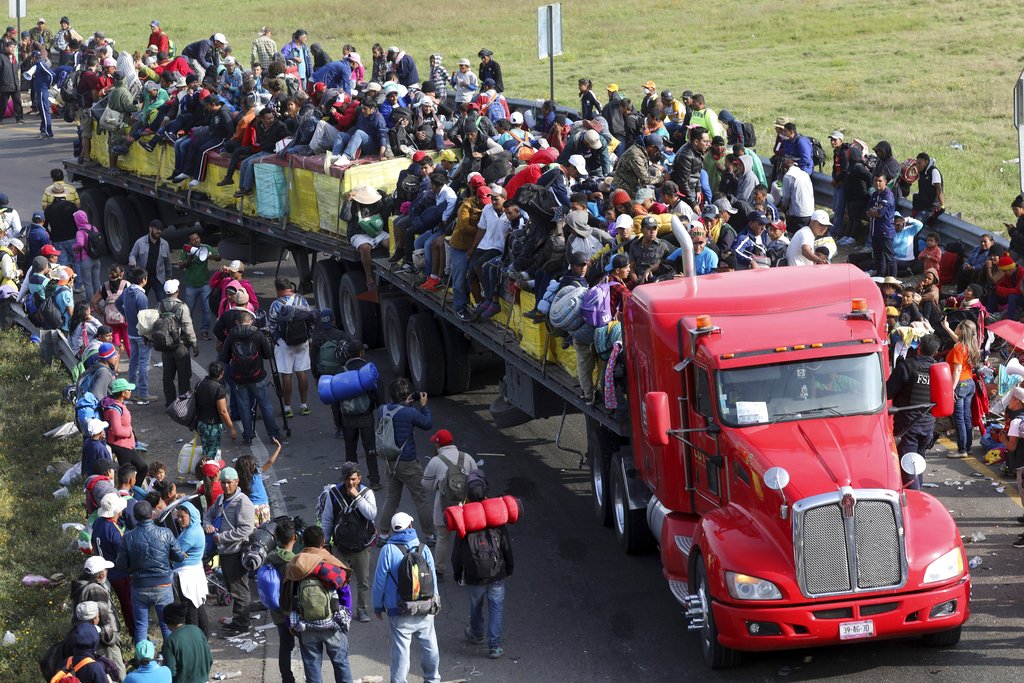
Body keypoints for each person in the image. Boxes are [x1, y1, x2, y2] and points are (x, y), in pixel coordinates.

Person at [452, 471, 514, 659]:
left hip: (474, 574)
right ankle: (494, 646)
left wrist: (458, 573)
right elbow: (505, 545)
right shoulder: (496, 514)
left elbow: (457, 552)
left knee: (476, 605)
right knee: (496, 607)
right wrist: (509, 567)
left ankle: (477, 633)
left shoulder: (464, 518)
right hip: (496, 572)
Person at [373, 512, 440, 683]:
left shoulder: (388, 550)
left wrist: (378, 606)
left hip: (399, 609)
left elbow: (379, 581)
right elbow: (432, 577)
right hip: (425, 607)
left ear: (393, 530)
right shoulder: (423, 548)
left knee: (401, 652)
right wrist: (435, 601)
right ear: (410, 526)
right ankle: (432, 679)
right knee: (430, 647)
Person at [115, 499, 185, 643]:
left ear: (135, 516)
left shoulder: (128, 537)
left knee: (141, 626)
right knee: (166, 625)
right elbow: (179, 556)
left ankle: (142, 656)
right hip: (163, 585)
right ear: (151, 515)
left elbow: (121, 565)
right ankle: (170, 655)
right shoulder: (165, 533)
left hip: (139, 586)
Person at [375, 377, 435, 544]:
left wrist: (405, 404)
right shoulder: (409, 413)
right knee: (420, 499)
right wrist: (423, 406)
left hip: (390, 462)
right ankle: (430, 535)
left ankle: (383, 535)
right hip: (408, 463)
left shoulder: (382, 410)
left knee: (391, 499)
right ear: (407, 395)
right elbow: (427, 424)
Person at [322, 461, 377, 625]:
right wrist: (326, 543)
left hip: (361, 547)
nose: (350, 482)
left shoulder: (366, 493)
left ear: (359, 478)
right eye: (347, 479)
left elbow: (371, 514)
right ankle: (342, 609)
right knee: (338, 580)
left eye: (353, 479)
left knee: (363, 581)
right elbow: (327, 519)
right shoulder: (333, 494)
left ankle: (362, 609)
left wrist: (357, 497)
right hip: (340, 547)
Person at [204, 466, 255, 634]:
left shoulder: (243, 502)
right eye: (224, 483)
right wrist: (207, 525)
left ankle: (241, 625)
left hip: (236, 551)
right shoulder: (220, 499)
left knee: (239, 590)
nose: (226, 486)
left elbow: (246, 529)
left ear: (237, 482)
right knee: (233, 588)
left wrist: (222, 537)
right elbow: (208, 515)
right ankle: (238, 620)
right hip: (224, 552)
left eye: (229, 483)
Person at [219, 308, 283, 444]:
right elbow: (268, 354)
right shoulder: (258, 335)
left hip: (238, 377)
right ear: (251, 321)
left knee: (244, 406)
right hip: (257, 375)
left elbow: (224, 357)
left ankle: (248, 436)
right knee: (265, 405)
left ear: (237, 322)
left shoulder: (231, 336)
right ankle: (274, 434)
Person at [421, 429, 478, 580]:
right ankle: (467, 569)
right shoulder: (467, 457)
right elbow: (476, 479)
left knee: (442, 538)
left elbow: (426, 484)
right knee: (466, 539)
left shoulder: (435, 461)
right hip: (466, 508)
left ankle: (439, 570)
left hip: (444, 509)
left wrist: (439, 483)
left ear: (438, 445)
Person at [886, 334, 941, 489]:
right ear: (935, 352)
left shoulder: (907, 366)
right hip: (928, 425)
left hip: (908, 426)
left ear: (919, 348)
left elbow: (888, 392)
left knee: (910, 468)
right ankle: (918, 492)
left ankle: (915, 498)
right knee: (918, 463)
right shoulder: (939, 370)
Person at [71, 554, 127, 679]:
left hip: (90, 638)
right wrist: (111, 639)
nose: (107, 572)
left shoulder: (81, 585)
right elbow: (103, 618)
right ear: (101, 575)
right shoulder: (95, 590)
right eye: (105, 570)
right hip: (104, 642)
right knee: (117, 672)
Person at [268, 278, 314, 417]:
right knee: (302, 372)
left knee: (286, 374)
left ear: (278, 290)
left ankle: (287, 408)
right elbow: (310, 319)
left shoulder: (276, 304)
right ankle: (304, 405)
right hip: (302, 341)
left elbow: (271, 325)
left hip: (284, 343)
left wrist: (276, 339)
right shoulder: (302, 300)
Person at [155, 279, 198, 406]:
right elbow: (187, 327)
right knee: (184, 377)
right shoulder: (182, 307)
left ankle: (170, 403)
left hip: (166, 347)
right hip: (180, 346)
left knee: (167, 378)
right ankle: (183, 405)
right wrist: (194, 344)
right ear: (177, 292)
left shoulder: (159, 305)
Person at [942, 319, 980, 457]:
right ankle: (967, 447)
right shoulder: (971, 345)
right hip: (969, 384)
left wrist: (952, 388)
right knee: (966, 417)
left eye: (957, 326)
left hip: (960, 385)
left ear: (962, 331)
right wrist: (947, 328)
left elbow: (957, 370)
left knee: (959, 418)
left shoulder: (959, 348)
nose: (956, 327)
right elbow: (957, 340)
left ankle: (962, 450)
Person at [171, 501, 209, 636]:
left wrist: (176, 552)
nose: (179, 520)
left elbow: (174, 552)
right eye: (178, 517)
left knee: (190, 612)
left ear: (191, 516)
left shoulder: (190, 534)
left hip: (187, 576)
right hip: (194, 572)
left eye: (183, 517)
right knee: (198, 608)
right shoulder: (193, 528)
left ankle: (195, 641)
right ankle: (203, 639)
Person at [176, 231, 221, 340]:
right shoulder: (186, 250)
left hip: (204, 284)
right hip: (191, 286)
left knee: (207, 309)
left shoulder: (205, 247)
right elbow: (181, 266)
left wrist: (212, 256)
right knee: (188, 310)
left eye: (197, 238)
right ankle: (188, 331)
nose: (196, 240)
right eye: (193, 239)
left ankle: (204, 331)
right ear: (189, 242)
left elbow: (219, 257)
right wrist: (189, 259)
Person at [160, 601, 213, 683]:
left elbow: (170, 672)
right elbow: (210, 659)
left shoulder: (170, 640)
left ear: (167, 621)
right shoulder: (196, 630)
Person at [194, 360, 237, 458]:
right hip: (212, 426)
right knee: (210, 455)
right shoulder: (218, 388)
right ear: (221, 373)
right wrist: (232, 428)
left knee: (206, 450)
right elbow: (223, 411)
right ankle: (207, 468)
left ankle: (204, 466)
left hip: (200, 423)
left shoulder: (200, 384)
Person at [129, 221, 172, 305]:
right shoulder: (140, 242)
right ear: (150, 228)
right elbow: (132, 255)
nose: (159, 231)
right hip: (143, 278)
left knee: (162, 302)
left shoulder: (165, 244)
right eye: (156, 229)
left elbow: (168, 262)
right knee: (140, 301)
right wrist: (132, 262)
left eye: (160, 229)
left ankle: (161, 313)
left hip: (158, 278)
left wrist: (169, 276)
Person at [868, 174, 897, 277]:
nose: (877, 183)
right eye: (876, 181)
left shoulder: (888, 195)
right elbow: (868, 210)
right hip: (874, 230)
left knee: (890, 257)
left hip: (885, 231)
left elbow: (879, 213)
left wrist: (874, 211)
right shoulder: (875, 194)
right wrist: (873, 211)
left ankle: (893, 279)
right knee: (878, 256)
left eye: (880, 181)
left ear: (885, 182)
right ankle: (880, 277)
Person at [72, 210, 102, 301]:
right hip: (96, 258)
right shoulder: (93, 228)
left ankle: (91, 304)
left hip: (85, 260)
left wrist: (73, 247)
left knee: (88, 283)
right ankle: (99, 300)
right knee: (97, 281)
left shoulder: (80, 232)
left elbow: (80, 244)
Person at [0, 41, 24, 124]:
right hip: (5, 85)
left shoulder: (14, 58)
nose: (12, 49)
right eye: (11, 47)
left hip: (15, 85)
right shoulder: (1, 57)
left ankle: (19, 118)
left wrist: (18, 84)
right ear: (6, 48)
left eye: (14, 47)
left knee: (17, 102)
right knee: (3, 104)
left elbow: (17, 71)